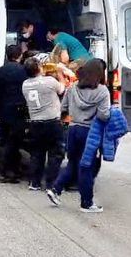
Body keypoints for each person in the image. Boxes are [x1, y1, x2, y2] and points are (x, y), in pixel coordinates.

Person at [47, 59, 111, 213]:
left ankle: (55, 189)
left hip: (73, 129)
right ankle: (86, 203)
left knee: (73, 163)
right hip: (90, 132)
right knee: (86, 167)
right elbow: (103, 115)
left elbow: (64, 108)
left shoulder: (73, 87)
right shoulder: (102, 91)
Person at [22, 57, 65, 191]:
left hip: (35, 123)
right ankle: (51, 184)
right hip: (52, 122)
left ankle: (34, 182)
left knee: (37, 153)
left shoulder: (25, 84)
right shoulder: (50, 81)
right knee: (55, 154)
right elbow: (62, 90)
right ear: (39, 68)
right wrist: (60, 74)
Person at [0, 45, 29, 184]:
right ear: (19, 56)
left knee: (8, 141)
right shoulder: (24, 71)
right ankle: (8, 172)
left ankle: (12, 170)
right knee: (14, 143)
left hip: (4, 111)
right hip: (19, 112)